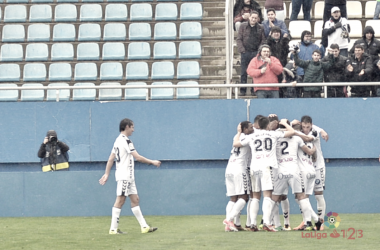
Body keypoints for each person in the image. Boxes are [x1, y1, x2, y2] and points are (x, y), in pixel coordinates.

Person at [99, 118, 161, 234]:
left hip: (129, 177)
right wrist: (152, 162)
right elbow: (137, 157)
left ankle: (144, 227)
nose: (134, 129)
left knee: (135, 199)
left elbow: (111, 158)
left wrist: (107, 173)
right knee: (120, 200)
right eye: (132, 127)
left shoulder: (117, 141)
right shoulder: (126, 141)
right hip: (124, 176)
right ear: (127, 126)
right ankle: (113, 229)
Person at [233, 117, 295, 232]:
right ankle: (267, 222)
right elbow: (292, 132)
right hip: (267, 167)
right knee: (267, 195)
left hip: (254, 167)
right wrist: (284, 123)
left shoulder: (252, 136)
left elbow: (236, 144)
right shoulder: (273, 134)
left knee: (255, 197)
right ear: (268, 125)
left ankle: (252, 223)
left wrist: (239, 132)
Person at [272, 120, 322, 231]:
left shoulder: (275, 137)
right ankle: (310, 221)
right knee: (302, 197)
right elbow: (312, 154)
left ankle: (270, 223)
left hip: (284, 170)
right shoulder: (299, 138)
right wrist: (313, 149)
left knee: (275, 198)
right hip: (304, 170)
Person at [292, 116, 329, 231]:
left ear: (311, 126)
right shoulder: (299, 133)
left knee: (318, 194)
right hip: (306, 168)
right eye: (304, 127)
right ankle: (306, 221)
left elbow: (308, 138)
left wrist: (321, 130)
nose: (306, 129)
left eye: (308, 127)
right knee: (302, 197)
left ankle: (321, 222)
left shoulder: (313, 132)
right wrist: (292, 124)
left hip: (318, 167)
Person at [223, 121, 254, 232]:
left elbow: (236, 142)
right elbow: (237, 145)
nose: (253, 128)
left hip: (229, 168)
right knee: (244, 197)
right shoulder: (248, 138)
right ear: (245, 129)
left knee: (233, 198)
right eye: (251, 127)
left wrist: (238, 132)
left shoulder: (237, 136)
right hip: (239, 169)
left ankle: (229, 226)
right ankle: (229, 220)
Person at [236, 11, 265, 96]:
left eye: (255, 18)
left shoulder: (261, 27)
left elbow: (263, 40)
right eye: (252, 17)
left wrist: (259, 51)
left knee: (255, 73)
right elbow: (239, 39)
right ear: (249, 17)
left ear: (258, 19)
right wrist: (242, 50)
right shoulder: (243, 26)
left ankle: (253, 90)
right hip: (245, 52)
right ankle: (243, 90)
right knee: (243, 72)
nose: (253, 19)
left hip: (256, 53)